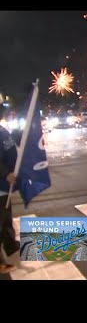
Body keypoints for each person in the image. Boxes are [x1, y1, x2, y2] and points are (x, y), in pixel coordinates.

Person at [0, 107, 19, 274]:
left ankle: (11, 245)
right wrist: (6, 173)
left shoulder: (2, 130)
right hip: (2, 182)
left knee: (6, 219)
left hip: (5, 187)